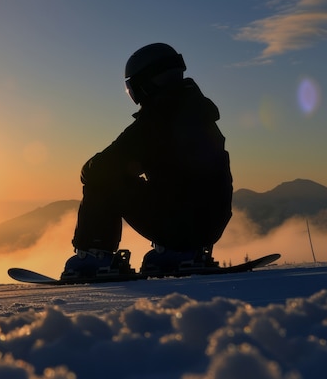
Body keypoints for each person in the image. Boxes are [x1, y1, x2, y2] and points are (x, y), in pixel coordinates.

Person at [61, 43, 233, 279]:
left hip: (180, 224)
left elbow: (103, 167)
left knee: (101, 180)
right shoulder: (199, 115)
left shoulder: (157, 120)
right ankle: (177, 252)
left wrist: (89, 170)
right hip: (209, 225)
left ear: (146, 82)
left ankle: (93, 256)